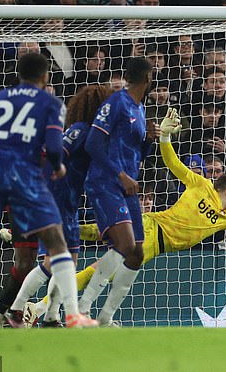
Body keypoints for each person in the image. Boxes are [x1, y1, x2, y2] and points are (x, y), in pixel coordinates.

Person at [29, 108, 226, 325]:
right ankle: (43, 308)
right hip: (152, 233)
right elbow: (173, 163)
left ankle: (51, 237)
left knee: (98, 239)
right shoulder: (201, 183)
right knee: (102, 272)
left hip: (151, 230)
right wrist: (165, 137)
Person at [0, 53, 97, 330]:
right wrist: (58, 167)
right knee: (58, 245)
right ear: (45, 76)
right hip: (25, 177)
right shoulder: (50, 104)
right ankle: (72, 314)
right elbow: (52, 147)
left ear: (18, 74)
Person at [0, 85, 112, 328]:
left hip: (68, 202)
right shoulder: (79, 130)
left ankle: (51, 317)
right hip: (57, 199)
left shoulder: (94, 135)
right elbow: (55, 154)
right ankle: (16, 309)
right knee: (54, 261)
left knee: (69, 262)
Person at [76, 57, 155, 326]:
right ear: (148, 78)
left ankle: (106, 317)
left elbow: (137, 152)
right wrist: (120, 175)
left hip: (127, 186)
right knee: (124, 246)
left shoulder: (140, 108)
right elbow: (93, 144)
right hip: (106, 182)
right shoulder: (116, 102)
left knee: (136, 253)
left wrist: (149, 140)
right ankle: (82, 309)